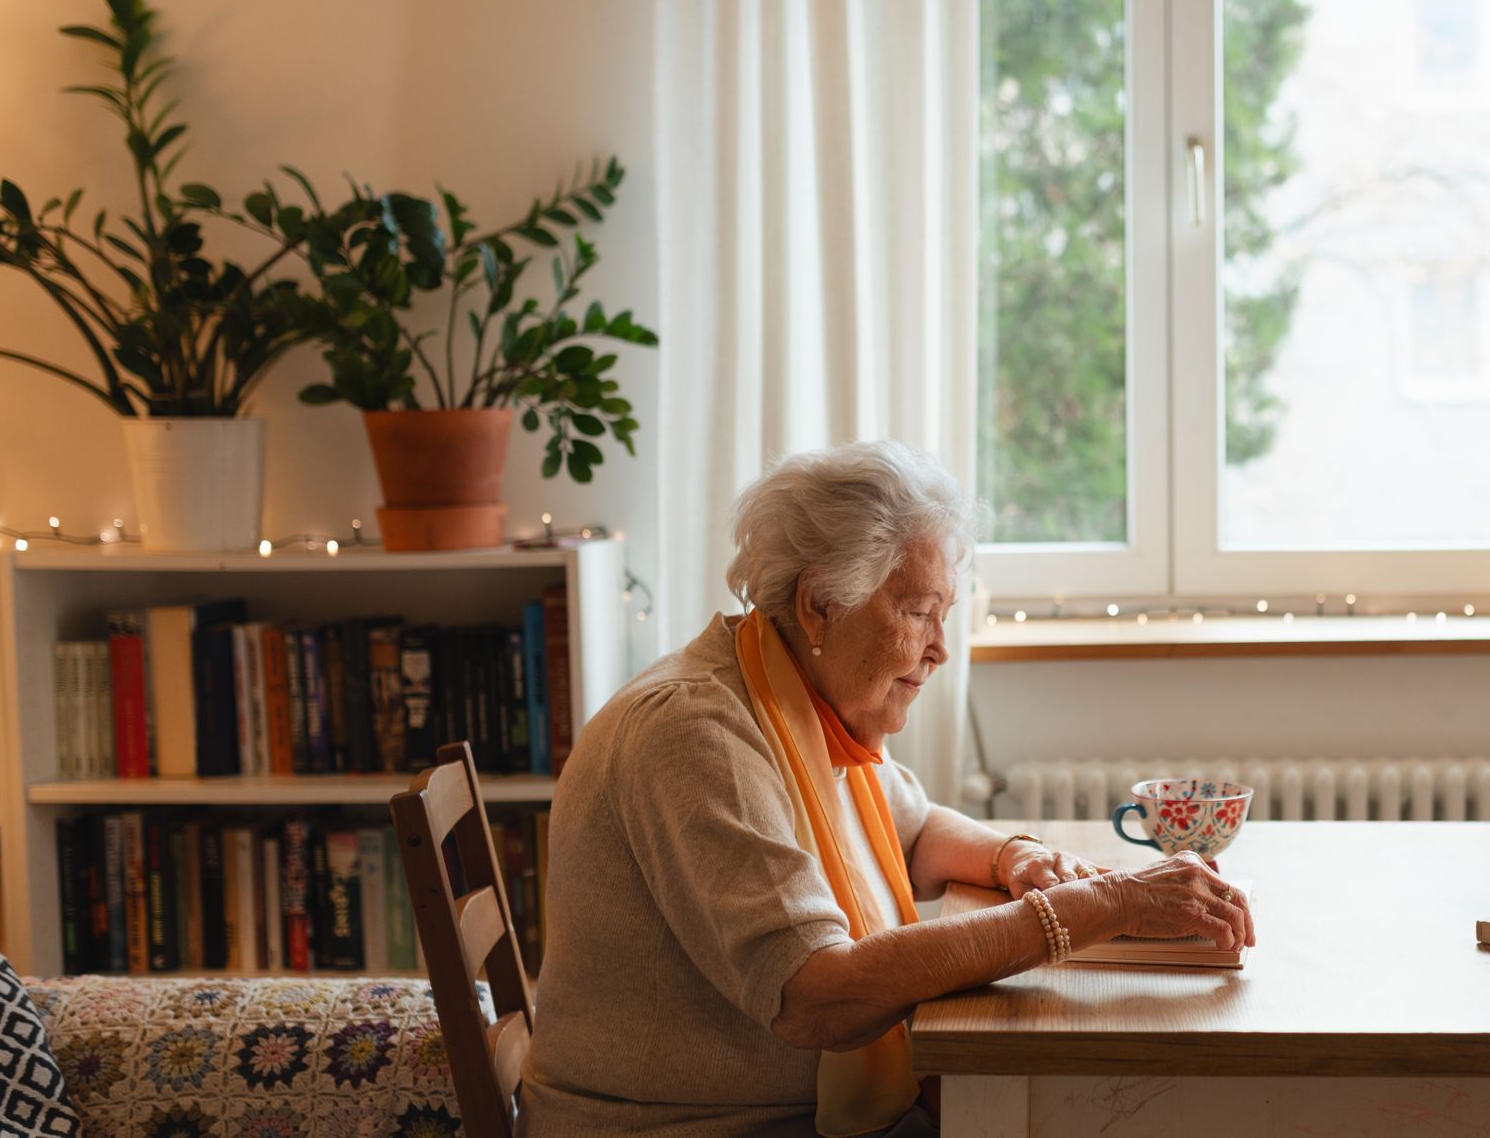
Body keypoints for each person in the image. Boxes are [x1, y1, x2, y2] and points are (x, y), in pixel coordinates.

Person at [519, 440, 1255, 1137]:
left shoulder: (796, 702)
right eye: (917, 612)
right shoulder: (696, 735)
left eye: (944, 616)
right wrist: (1091, 907)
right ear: (819, 605)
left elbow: (918, 829)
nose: (937, 649)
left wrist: (1014, 857)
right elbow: (818, 998)